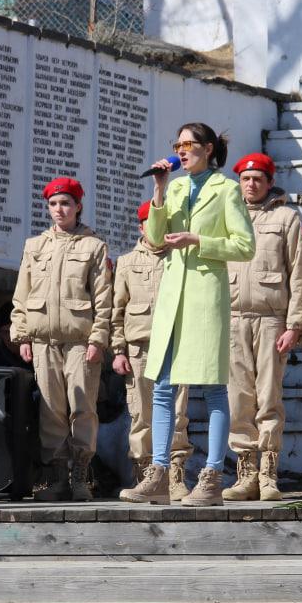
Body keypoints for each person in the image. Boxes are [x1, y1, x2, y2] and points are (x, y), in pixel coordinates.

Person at [120, 122, 255, 507]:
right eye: (177, 145)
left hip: (205, 296)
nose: (181, 151)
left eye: (189, 145)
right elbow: (156, 238)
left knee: (212, 388)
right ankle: (159, 472)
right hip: (172, 296)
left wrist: (200, 240)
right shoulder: (175, 186)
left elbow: (245, 246)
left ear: (208, 149)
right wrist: (159, 190)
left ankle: (212, 475)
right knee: (162, 386)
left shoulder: (226, 188)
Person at [9, 177, 113, 501]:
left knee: (82, 407)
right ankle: (55, 475)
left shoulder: (93, 246)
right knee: (51, 409)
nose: (59, 209)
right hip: (44, 342)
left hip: (80, 341)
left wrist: (98, 339)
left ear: (78, 206)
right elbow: (22, 295)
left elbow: (103, 298)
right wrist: (23, 335)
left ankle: (81, 473)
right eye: (53, 204)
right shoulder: (34, 246)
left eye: (66, 203)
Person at [221, 152, 302, 503]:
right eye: (245, 178)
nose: (251, 184)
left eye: (258, 178)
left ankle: (269, 473)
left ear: (270, 182)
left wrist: (295, 324)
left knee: (269, 397)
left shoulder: (286, 218)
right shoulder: (226, 216)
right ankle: (246, 473)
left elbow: (299, 274)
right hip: (233, 317)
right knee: (239, 398)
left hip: (272, 319)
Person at [111, 201, 194, 498]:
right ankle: (146, 474)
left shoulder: (182, 258)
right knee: (141, 414)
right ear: (141, 226)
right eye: (149, 223)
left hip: (176, 345)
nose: (154, 228)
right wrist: (118, 349)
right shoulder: (126, 262)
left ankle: (174, 474)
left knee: (176, 412)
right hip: (140, 347)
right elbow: (116, 310)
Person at [0, 302, 32, 371]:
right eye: (6, 332)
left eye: (15, 331)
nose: (11, 337)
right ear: (0, 334)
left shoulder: (39, 356)